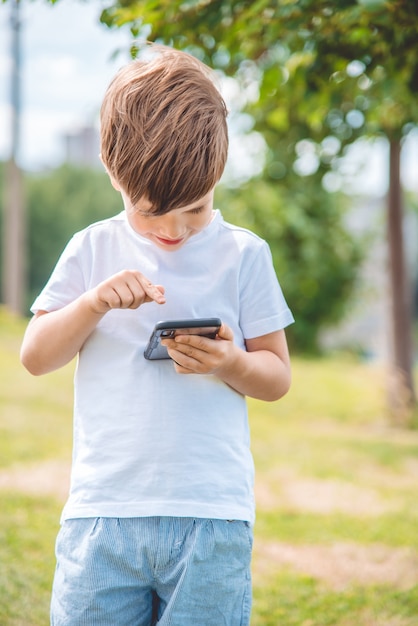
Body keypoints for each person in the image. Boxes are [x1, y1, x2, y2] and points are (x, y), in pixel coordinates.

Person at [20, 45, 294, 626]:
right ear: (112, 171)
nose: (173, 230)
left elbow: (276, 377)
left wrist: (229, 362)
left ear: (218, 174)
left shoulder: (244, 255)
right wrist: (93, 303)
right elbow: (36, 356)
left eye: (194, 210)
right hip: (102, 515)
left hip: (211, 519)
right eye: (151, 212)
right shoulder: (92, 248)